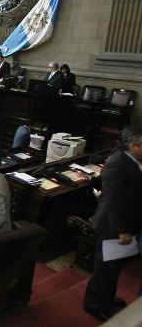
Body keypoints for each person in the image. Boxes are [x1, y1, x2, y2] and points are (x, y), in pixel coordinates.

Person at [83, 126, 142, 321]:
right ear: (134, 146)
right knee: (104, 269)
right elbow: (113, 202)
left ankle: (107, 298)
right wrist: (122, 231)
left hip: (127, 225)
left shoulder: (133, 160)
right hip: (113, 228)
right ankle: (94, 304)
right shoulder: (118, 163)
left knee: (114, 268)